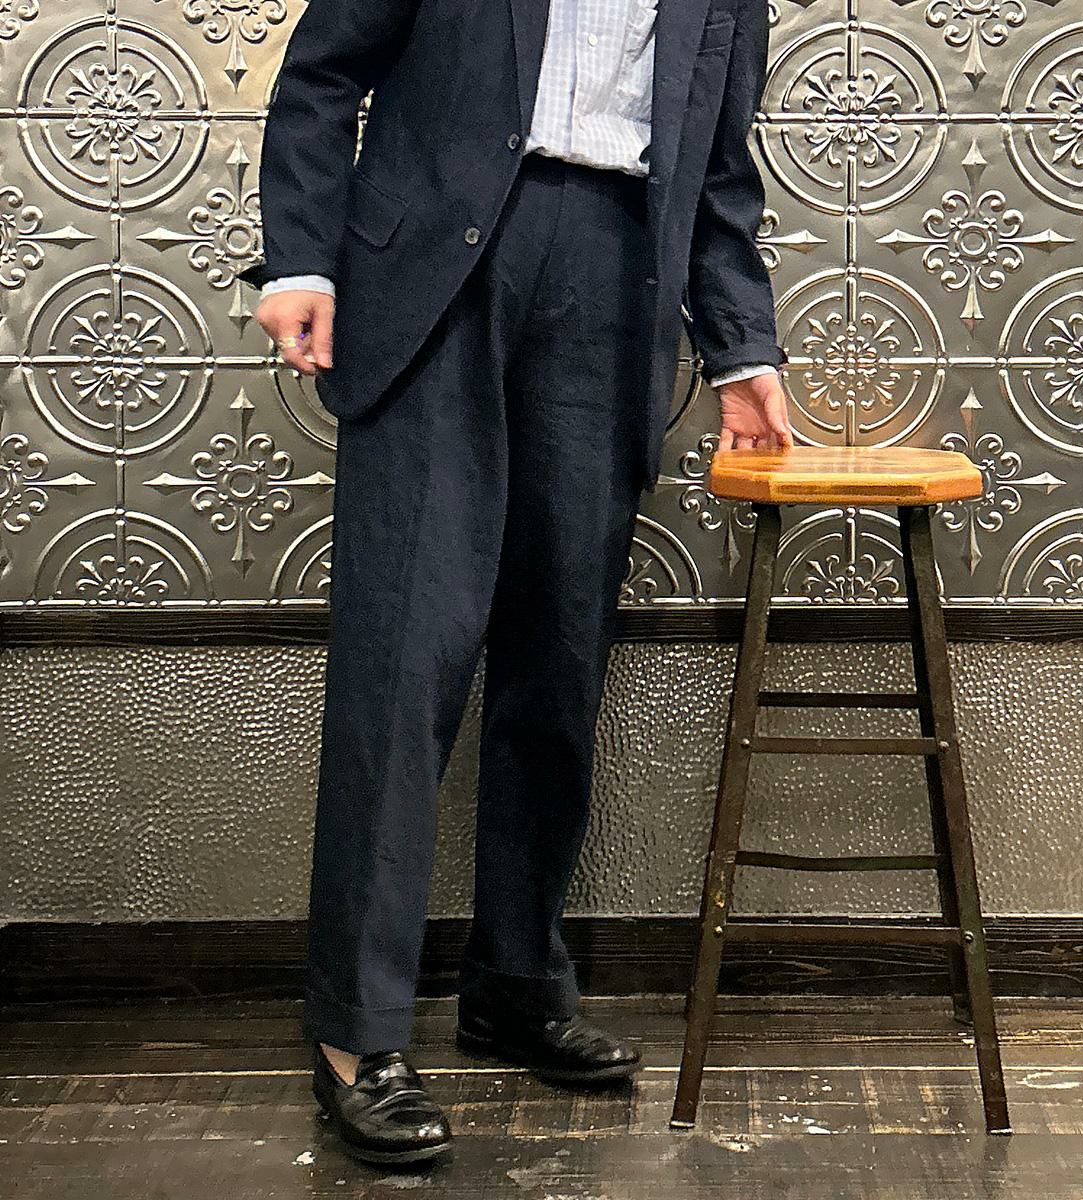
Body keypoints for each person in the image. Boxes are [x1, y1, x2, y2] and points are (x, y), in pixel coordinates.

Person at [239, 0, 793, 1168]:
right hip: (436, 274)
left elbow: (717, 167)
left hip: (616, 279)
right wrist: (301, 253)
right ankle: (356, 1030)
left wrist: (741, 347)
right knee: (405, 660)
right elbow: (324, 72)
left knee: (559, 657)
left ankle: (515, 983)